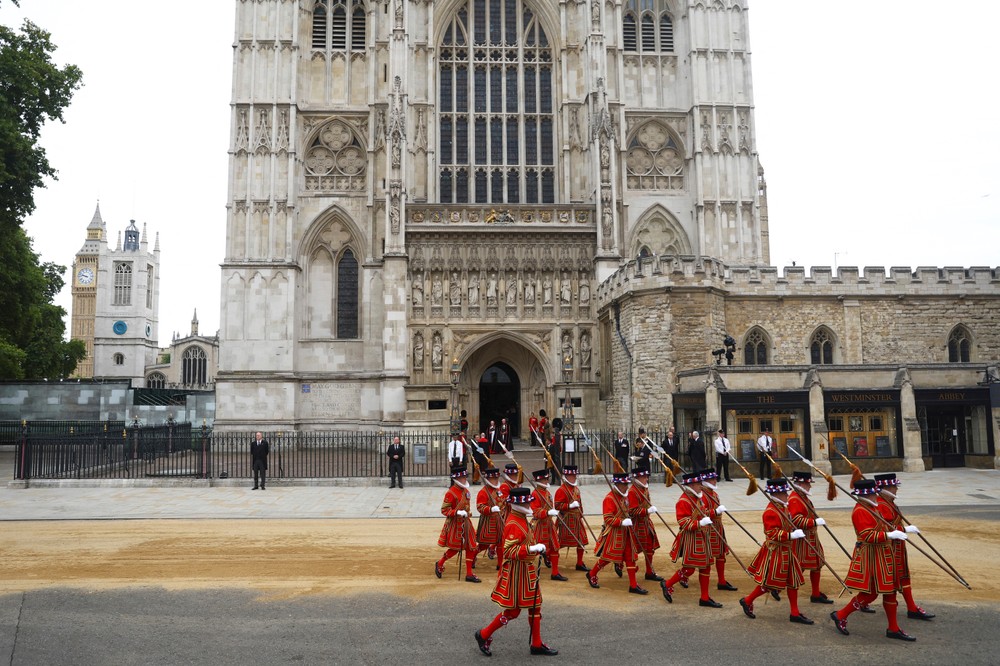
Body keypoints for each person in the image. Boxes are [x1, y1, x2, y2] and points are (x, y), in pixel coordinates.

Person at [474, 487, 558, 657]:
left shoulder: (521, 518)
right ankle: (483, 634)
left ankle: (536, 644)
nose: (529, 505)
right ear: (518, 504)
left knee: (535, 606)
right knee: (513, 612)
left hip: (527, 569)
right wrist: (531, 548)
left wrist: (535, 548)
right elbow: (509, 551)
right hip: (517, 572)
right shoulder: (513, 522)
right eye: (526, 503)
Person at [829, 478, 916, 641]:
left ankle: (893, 628)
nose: (877, 496)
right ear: (867, 495)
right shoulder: (860, 511)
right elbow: (867, 535)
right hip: (871, 556)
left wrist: (903, 529)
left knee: (890, 591)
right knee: (870, 594)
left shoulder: (872, 507)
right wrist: (890, 535)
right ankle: (840, 615)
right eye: (874, 494)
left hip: (883, 555)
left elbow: (885, 526)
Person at [738, 477, 812, 625]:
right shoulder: (771, 511)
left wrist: (793, 531)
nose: (787, 495)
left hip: (787, 550)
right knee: (769, 584)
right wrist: (791, 535)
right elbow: (772, 533)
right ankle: (748, 600)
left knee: (793, 581)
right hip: (776, 551)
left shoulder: (782, 507)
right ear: (777, 494)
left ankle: (794, 612)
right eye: (784, 493)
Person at [875, 473, 935, 621]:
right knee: (891, 582)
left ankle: (912, 607)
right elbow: (885, 528)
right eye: (894, 486)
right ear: (886, 488)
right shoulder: (881, 504)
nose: (896, 489)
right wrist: (905, 529)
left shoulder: (889, 502)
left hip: (898, 547)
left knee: (904, 576)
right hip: (889, 548)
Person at [659, 472, 722, 608]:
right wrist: (700, 523)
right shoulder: (683, 501)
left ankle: (704, 597)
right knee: (689, 569)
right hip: (691, 539)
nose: (701, 486)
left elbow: (703, 512)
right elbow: (683, 522)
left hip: (702, 536)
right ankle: (668, 584)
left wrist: (711, 514)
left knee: (706, 567)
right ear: (692, 485)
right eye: (699, 484)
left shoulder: (697, 498)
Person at [588, 471, 646, 594]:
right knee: (607, 558)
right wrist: (622, 522)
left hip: (626, 532)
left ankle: (633, 585)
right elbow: (608, 518)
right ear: (618, 484)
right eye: (624, 484)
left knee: (630, 557)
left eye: (627, 484)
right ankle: (592, 573)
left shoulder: (624, 497)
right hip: (614, 533)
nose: (627, 487)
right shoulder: (609, 498)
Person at [788, 471, 831, 603]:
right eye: (808, 484)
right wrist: (814, 522)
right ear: (801, 484)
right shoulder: (795, 499)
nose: (810, 486)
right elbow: (796, 520)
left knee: (817, 564)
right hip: (802, 538)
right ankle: (776, 587)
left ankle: (815, 593)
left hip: (811, 536)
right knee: (798, 567)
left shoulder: (803, 496)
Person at [435, 466, 480, 583]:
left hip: (466, 523)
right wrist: (457, 512)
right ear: (456, 479)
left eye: (465, 477)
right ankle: (440, 563)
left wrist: (467, 513)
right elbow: (444, 510)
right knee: (456, 548)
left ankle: (469, 573)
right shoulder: (450, 493)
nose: (465, 479)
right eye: (462, 477)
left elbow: (467, 507)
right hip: (455, 524)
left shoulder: (466, 492)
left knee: (471, 546)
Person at [699, 469, 737, 592]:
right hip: (708, 529)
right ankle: (683, 577)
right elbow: (701, 513)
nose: (715, 481)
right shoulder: (702, 495)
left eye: (715, 478)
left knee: (721, 554)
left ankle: (722, 581)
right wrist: (715, 512)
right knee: (705, 558)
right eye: (712, 479)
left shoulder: (713, 493)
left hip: (718, 527)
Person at [529, 469, 566, 581]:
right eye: (544, 479)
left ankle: (555, 572)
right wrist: (547, 512)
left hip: (549, 524)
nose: (547, 481)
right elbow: (535, 512)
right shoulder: (535, 494)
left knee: (555, 547)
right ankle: (527, 571)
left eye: (547, 478)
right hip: (539, 525)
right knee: (534, 549)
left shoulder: (548, 493)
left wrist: (551, 512)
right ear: (539, 480)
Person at [627, 467, 662, 582]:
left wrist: (648, 510)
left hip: (646, 522)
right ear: (637, 478)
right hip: (636, 524)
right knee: (632, 549)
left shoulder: (644, 489)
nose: (646, 479)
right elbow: (632, 511)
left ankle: (649, 572)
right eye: (644, 477)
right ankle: (620, 564)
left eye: (646, 477)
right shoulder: (632, 491)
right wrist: (647, 511)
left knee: (650, 547)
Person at [553, 464, 590, 572]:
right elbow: (557, 506)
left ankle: (579, 563)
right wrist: (569, 506)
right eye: (572, 475)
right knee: (559, 542)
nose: (574, 477)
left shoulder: (576, 489)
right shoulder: (561, 490)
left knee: (581, 540)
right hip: (566, 519)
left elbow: (579, 502)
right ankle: (550, 556)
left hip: (577, 518)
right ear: (566, 476)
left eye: (575, 475)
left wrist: (581, 513)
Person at [474, 467, 504, 566]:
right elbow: (480, 507)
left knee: (500, 543)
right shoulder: (483, 492)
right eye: (493, 479)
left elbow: (502, 501)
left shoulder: (498, 490)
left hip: (499, 520)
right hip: (488, 521)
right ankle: (473, 554)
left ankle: (500, 564)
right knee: (484, 544)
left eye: (497, 478)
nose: (496, 480)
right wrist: (490, 509)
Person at [547, 418, 564, 484]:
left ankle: (557, 479)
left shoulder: (558, 435)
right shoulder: (556, 435)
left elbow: (559, 444)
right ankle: (554, 479)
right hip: (553, 452)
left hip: (555, 452)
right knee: (552, 467)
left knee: (556, 466)